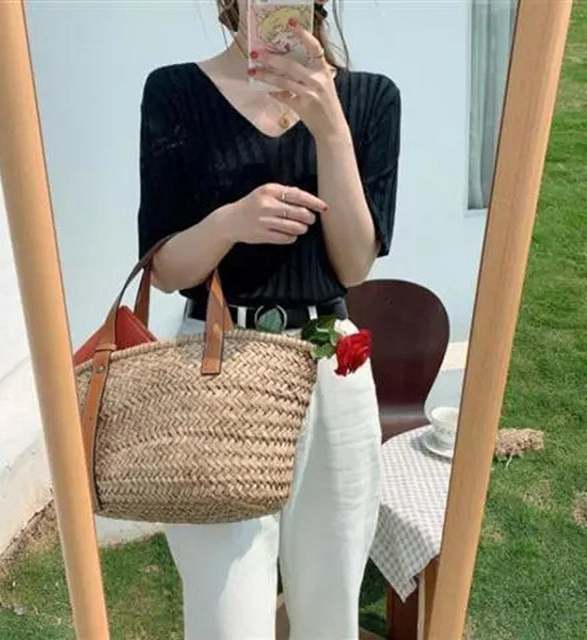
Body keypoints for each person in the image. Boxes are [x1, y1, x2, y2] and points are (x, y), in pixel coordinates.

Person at [136, 1, 401, 638]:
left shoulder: (369, 99)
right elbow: (165, 269)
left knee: (330, 613)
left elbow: (354, 263)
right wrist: (230, 222)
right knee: (224, 619)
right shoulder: (176, 91)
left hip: (330, 366)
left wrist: (331, 129)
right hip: (215, 363)